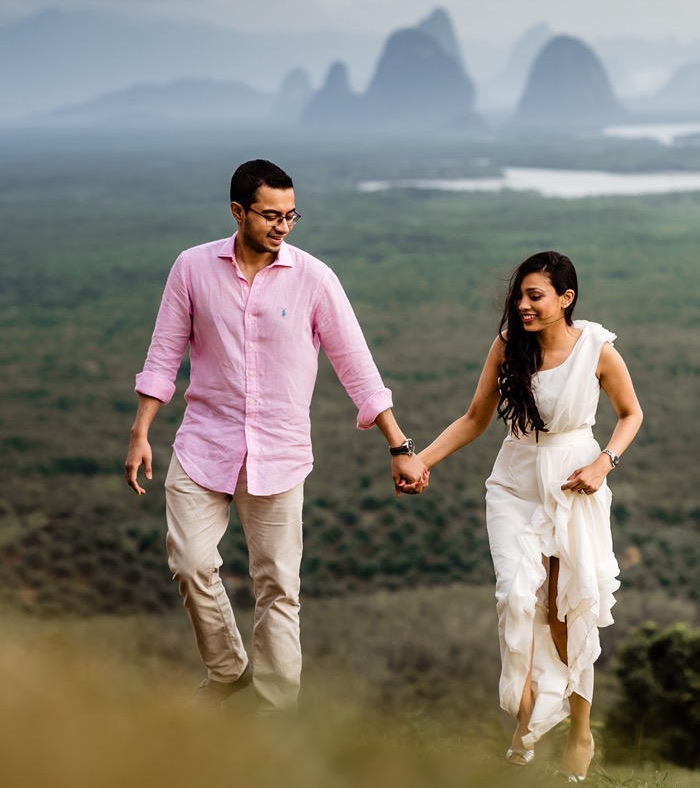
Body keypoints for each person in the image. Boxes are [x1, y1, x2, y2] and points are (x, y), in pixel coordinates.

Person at [124, 159, 428, 715]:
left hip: (280, 453)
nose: (282, 226)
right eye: (270, 215)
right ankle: (227, 670)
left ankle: (275, 711)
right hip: (203, 446)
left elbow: (357, 367)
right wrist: (141, 431)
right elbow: (163, 356)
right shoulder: (192, 268)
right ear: (237, 211)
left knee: (279, 586)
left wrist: (399, 446)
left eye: (291, 216)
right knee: (189, 562)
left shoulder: (315, 278)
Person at [418, 251, 642, 780]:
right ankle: (527, 721)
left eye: (534, 295)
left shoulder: (597, 349)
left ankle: (580, 730)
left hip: (573, 484)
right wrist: (421, 461)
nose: (522, 304)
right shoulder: (507, 346)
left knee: (566, 614)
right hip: (514, 486)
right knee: (516, 598)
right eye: (519, 295)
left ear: (566, 299)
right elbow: (474, 419)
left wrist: (603, 463)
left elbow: (631, 413)